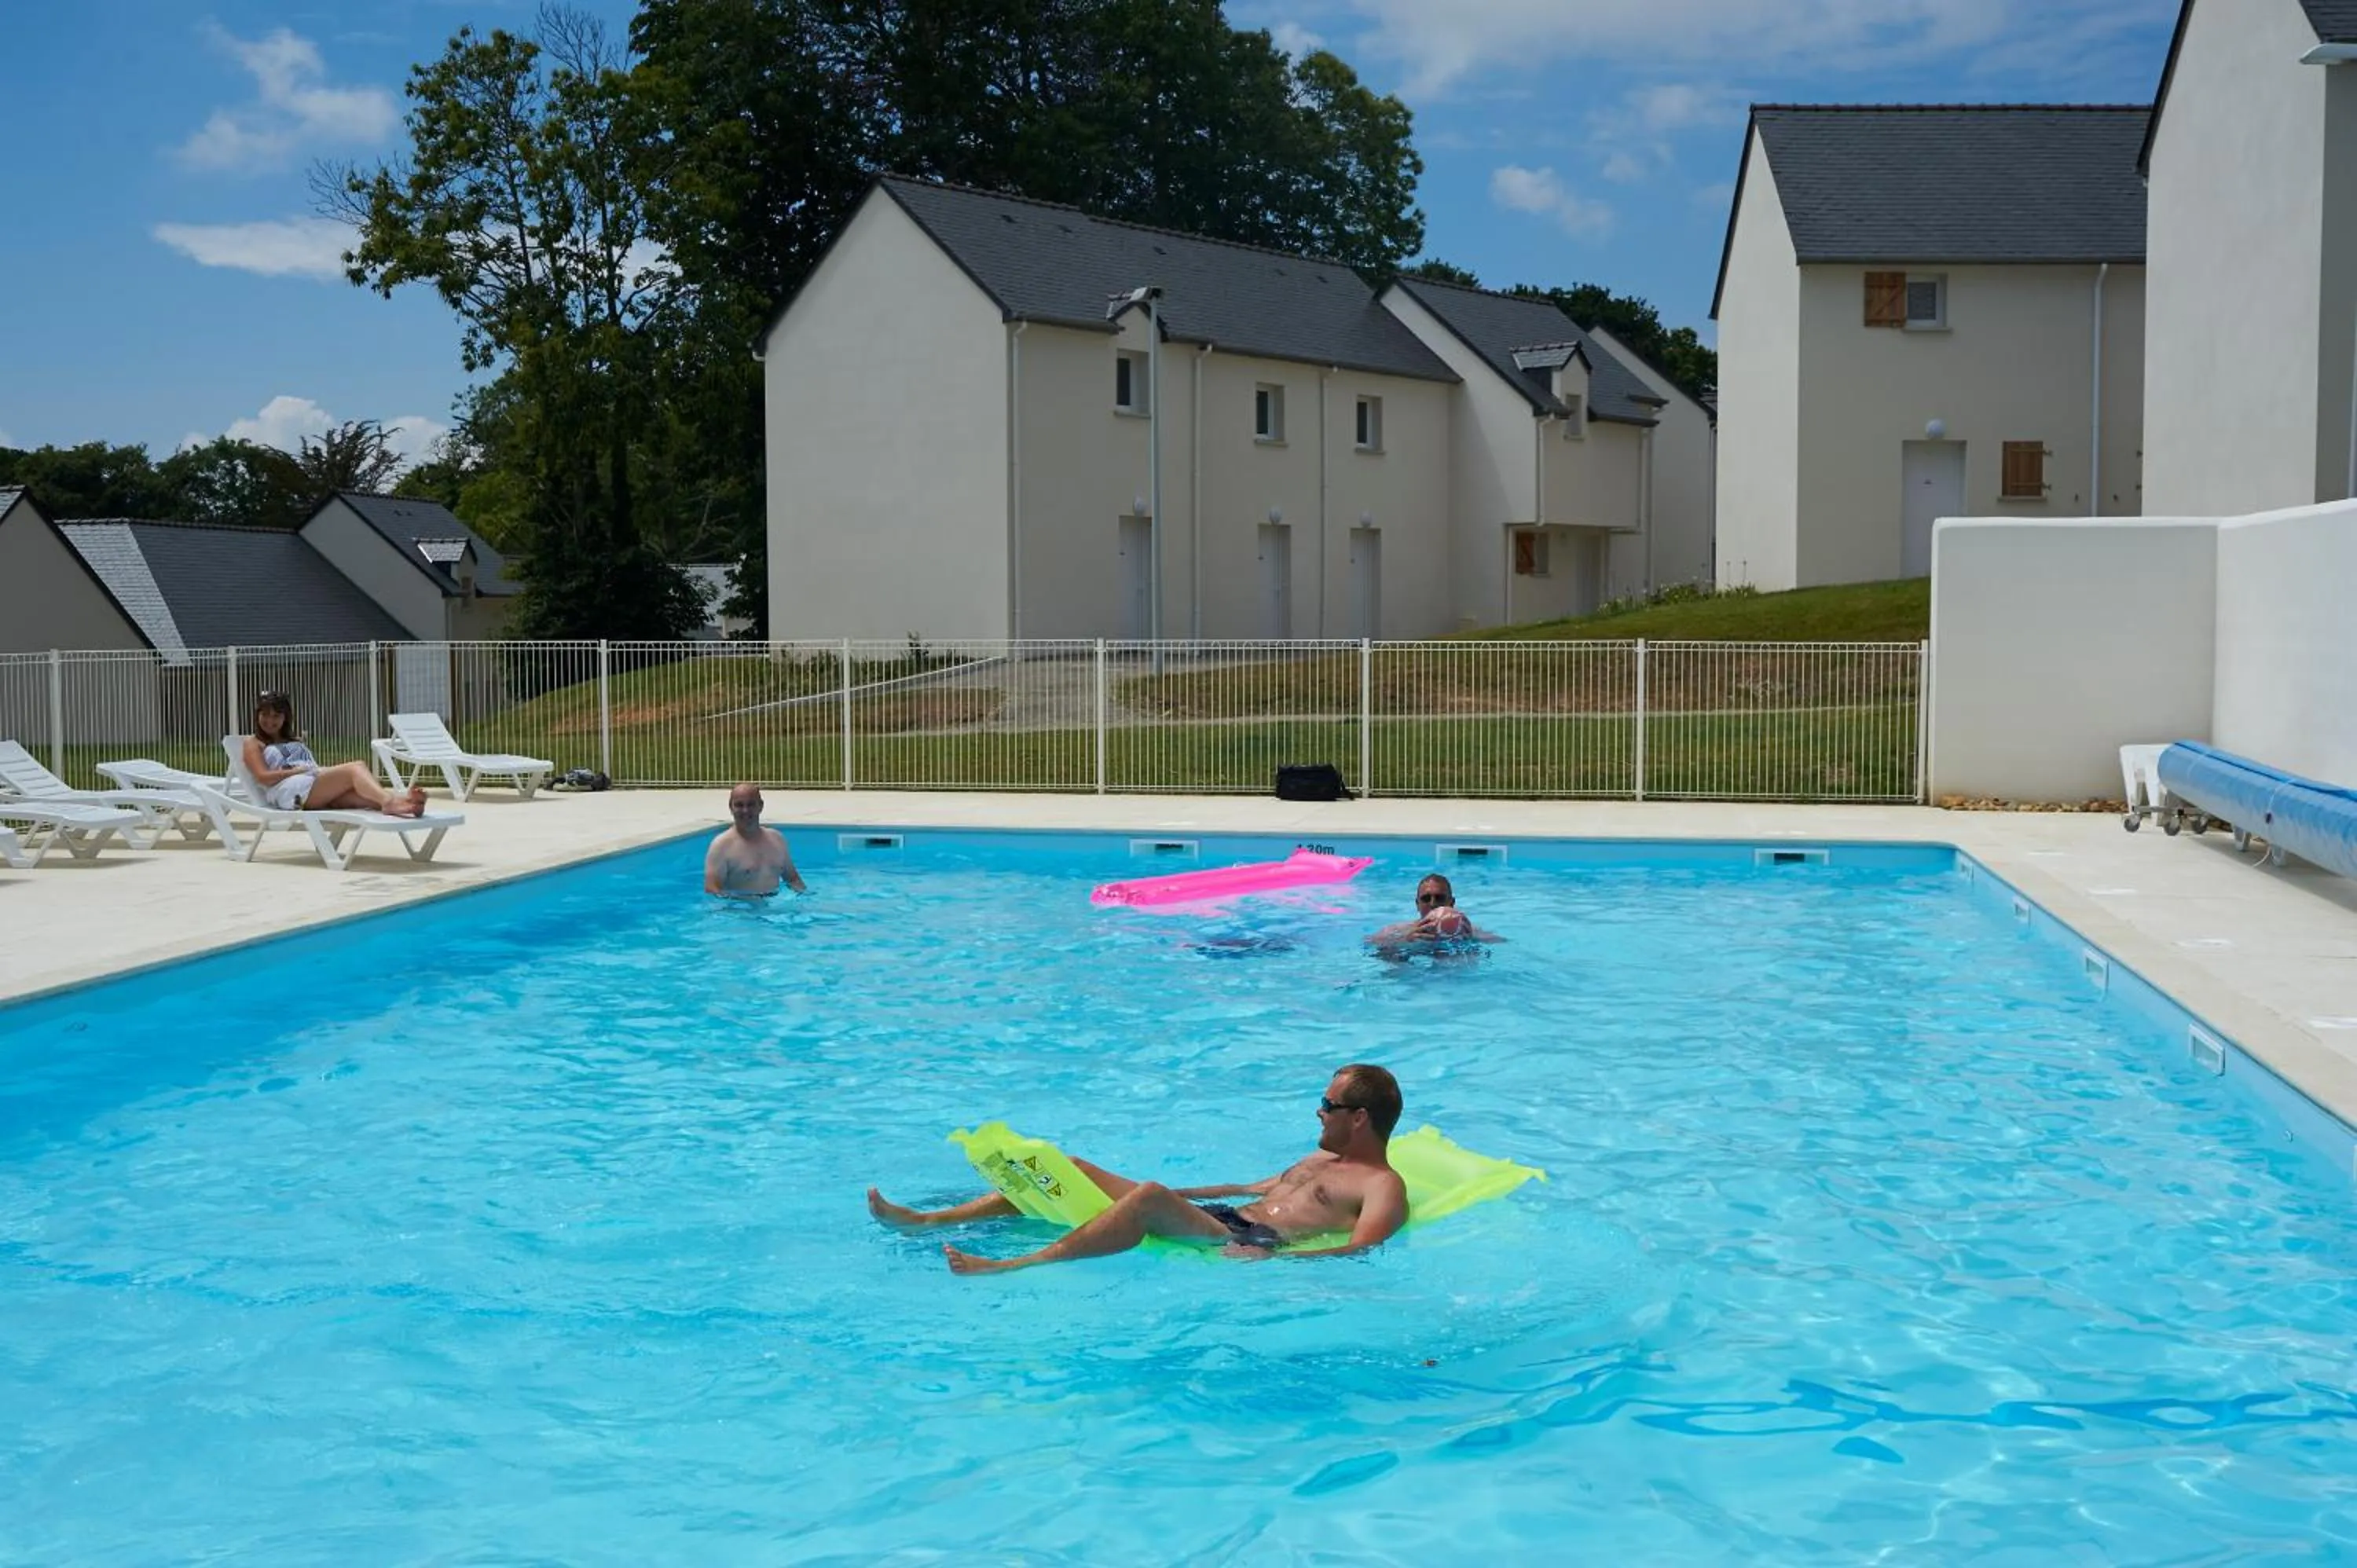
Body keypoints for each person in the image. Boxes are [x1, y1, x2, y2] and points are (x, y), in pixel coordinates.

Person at [867, 1064, 1410, 1275]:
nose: (1318, 1110)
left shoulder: (1382, 1186)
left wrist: (1267, 1262)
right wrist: (1178, 1194)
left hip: (1254, 1240)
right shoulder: (1319, 1158)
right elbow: (1247, 1188)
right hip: (1220, 1214)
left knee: (1147, 1196)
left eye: (1328, 1104)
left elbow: (1362, 1249)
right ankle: (927, 1221)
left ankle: (1019, 1264)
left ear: (1359, 1118)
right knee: (1067, 1168)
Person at [244, 691, 427, 817]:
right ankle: (389, 802)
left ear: (286, 718)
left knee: (361, 796)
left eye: (276, 716)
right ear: (257, 715)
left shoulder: (293, 740)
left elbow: (308, 767)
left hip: (309, 785)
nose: (270, 721)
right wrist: (297, 771)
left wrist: (308, 770)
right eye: (265, 715)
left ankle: (406, 803)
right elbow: (263, 777)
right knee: (356, 768)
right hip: (292, 792)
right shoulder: (254, 743)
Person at [704, 782, 806, 897]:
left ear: (761, 806)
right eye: (739, 805)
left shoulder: (777, 840)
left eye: (751, 804)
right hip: (739, 910)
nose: (745, 810)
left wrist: (806, 901)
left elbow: (793, 879)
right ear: (731, 808)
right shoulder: (721, 846)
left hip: (774, 910)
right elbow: (712, 889)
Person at [1366, 874, 1498, 952]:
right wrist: (1405, 941)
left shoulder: (1469, 932)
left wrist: (1471, 943)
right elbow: (1369, 946)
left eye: (1439, 898)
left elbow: (1498, 945)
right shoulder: (1399, 931)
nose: (1433, 904)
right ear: (1417, 905)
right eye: (1426, 899)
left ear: (1451, 903)